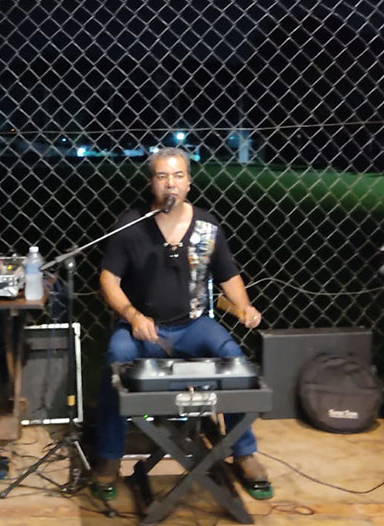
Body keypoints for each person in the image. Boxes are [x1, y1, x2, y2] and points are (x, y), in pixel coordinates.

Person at [92, 147, 272, 500]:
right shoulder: (131, 225)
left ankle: (244, 451)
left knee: (233, 358)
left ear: (189, 182)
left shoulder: (207, 226)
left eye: (178, 176)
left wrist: (244, 306)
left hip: (193, 325)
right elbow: (108, 280)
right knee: (116, 360)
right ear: (152, 183)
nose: (170, 184)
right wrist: (133, 316)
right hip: (143, 328)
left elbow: (228, 275)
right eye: (162, 177)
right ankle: (110, 457)